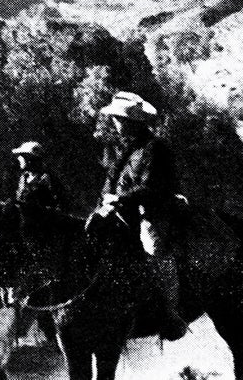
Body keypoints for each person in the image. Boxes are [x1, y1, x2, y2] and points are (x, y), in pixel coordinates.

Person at [98, 91, 188, 341]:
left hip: (151, 211)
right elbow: (110, 179)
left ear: (131, 121)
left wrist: (121, 199)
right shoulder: (121, 146)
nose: (115, 122)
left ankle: (170, 314)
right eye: (114, 118)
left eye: (118, 118)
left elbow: (152, 187)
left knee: (153, 249)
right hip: (122, 210)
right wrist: (104, 201)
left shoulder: (154, 147)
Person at [11, 141, 66, 212]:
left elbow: (60, 202)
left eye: (23, 156)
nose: (20, 159)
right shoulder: (24, 176)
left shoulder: (47, 177)